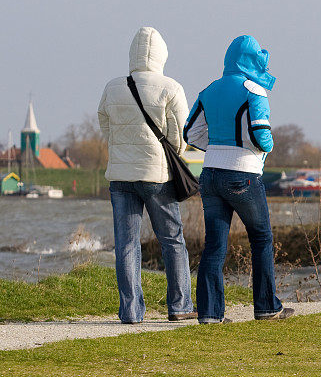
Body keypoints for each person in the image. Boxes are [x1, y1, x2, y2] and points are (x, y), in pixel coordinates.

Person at [184, 34, 293, 324]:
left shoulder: (209, 90)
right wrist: (263, 146)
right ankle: (267, 307)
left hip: (209, 174)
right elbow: (261, 136)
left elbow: (190, 133)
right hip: (243, 174)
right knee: (261, 238)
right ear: (251, 60)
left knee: (215, 245)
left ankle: (209, 314)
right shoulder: (254, 90)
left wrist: (220, 144)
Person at [98, 27, 196, 324]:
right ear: (161, 54)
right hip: (157, 175)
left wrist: (120, 147)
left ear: (133, 53)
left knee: (126, 243)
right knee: (172, 241)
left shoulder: (113, 86)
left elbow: (104, 122)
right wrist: (169, 152)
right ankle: (179, 306)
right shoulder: (171, 87)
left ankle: (130, 311)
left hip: (120, 176)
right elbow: (181, 136)